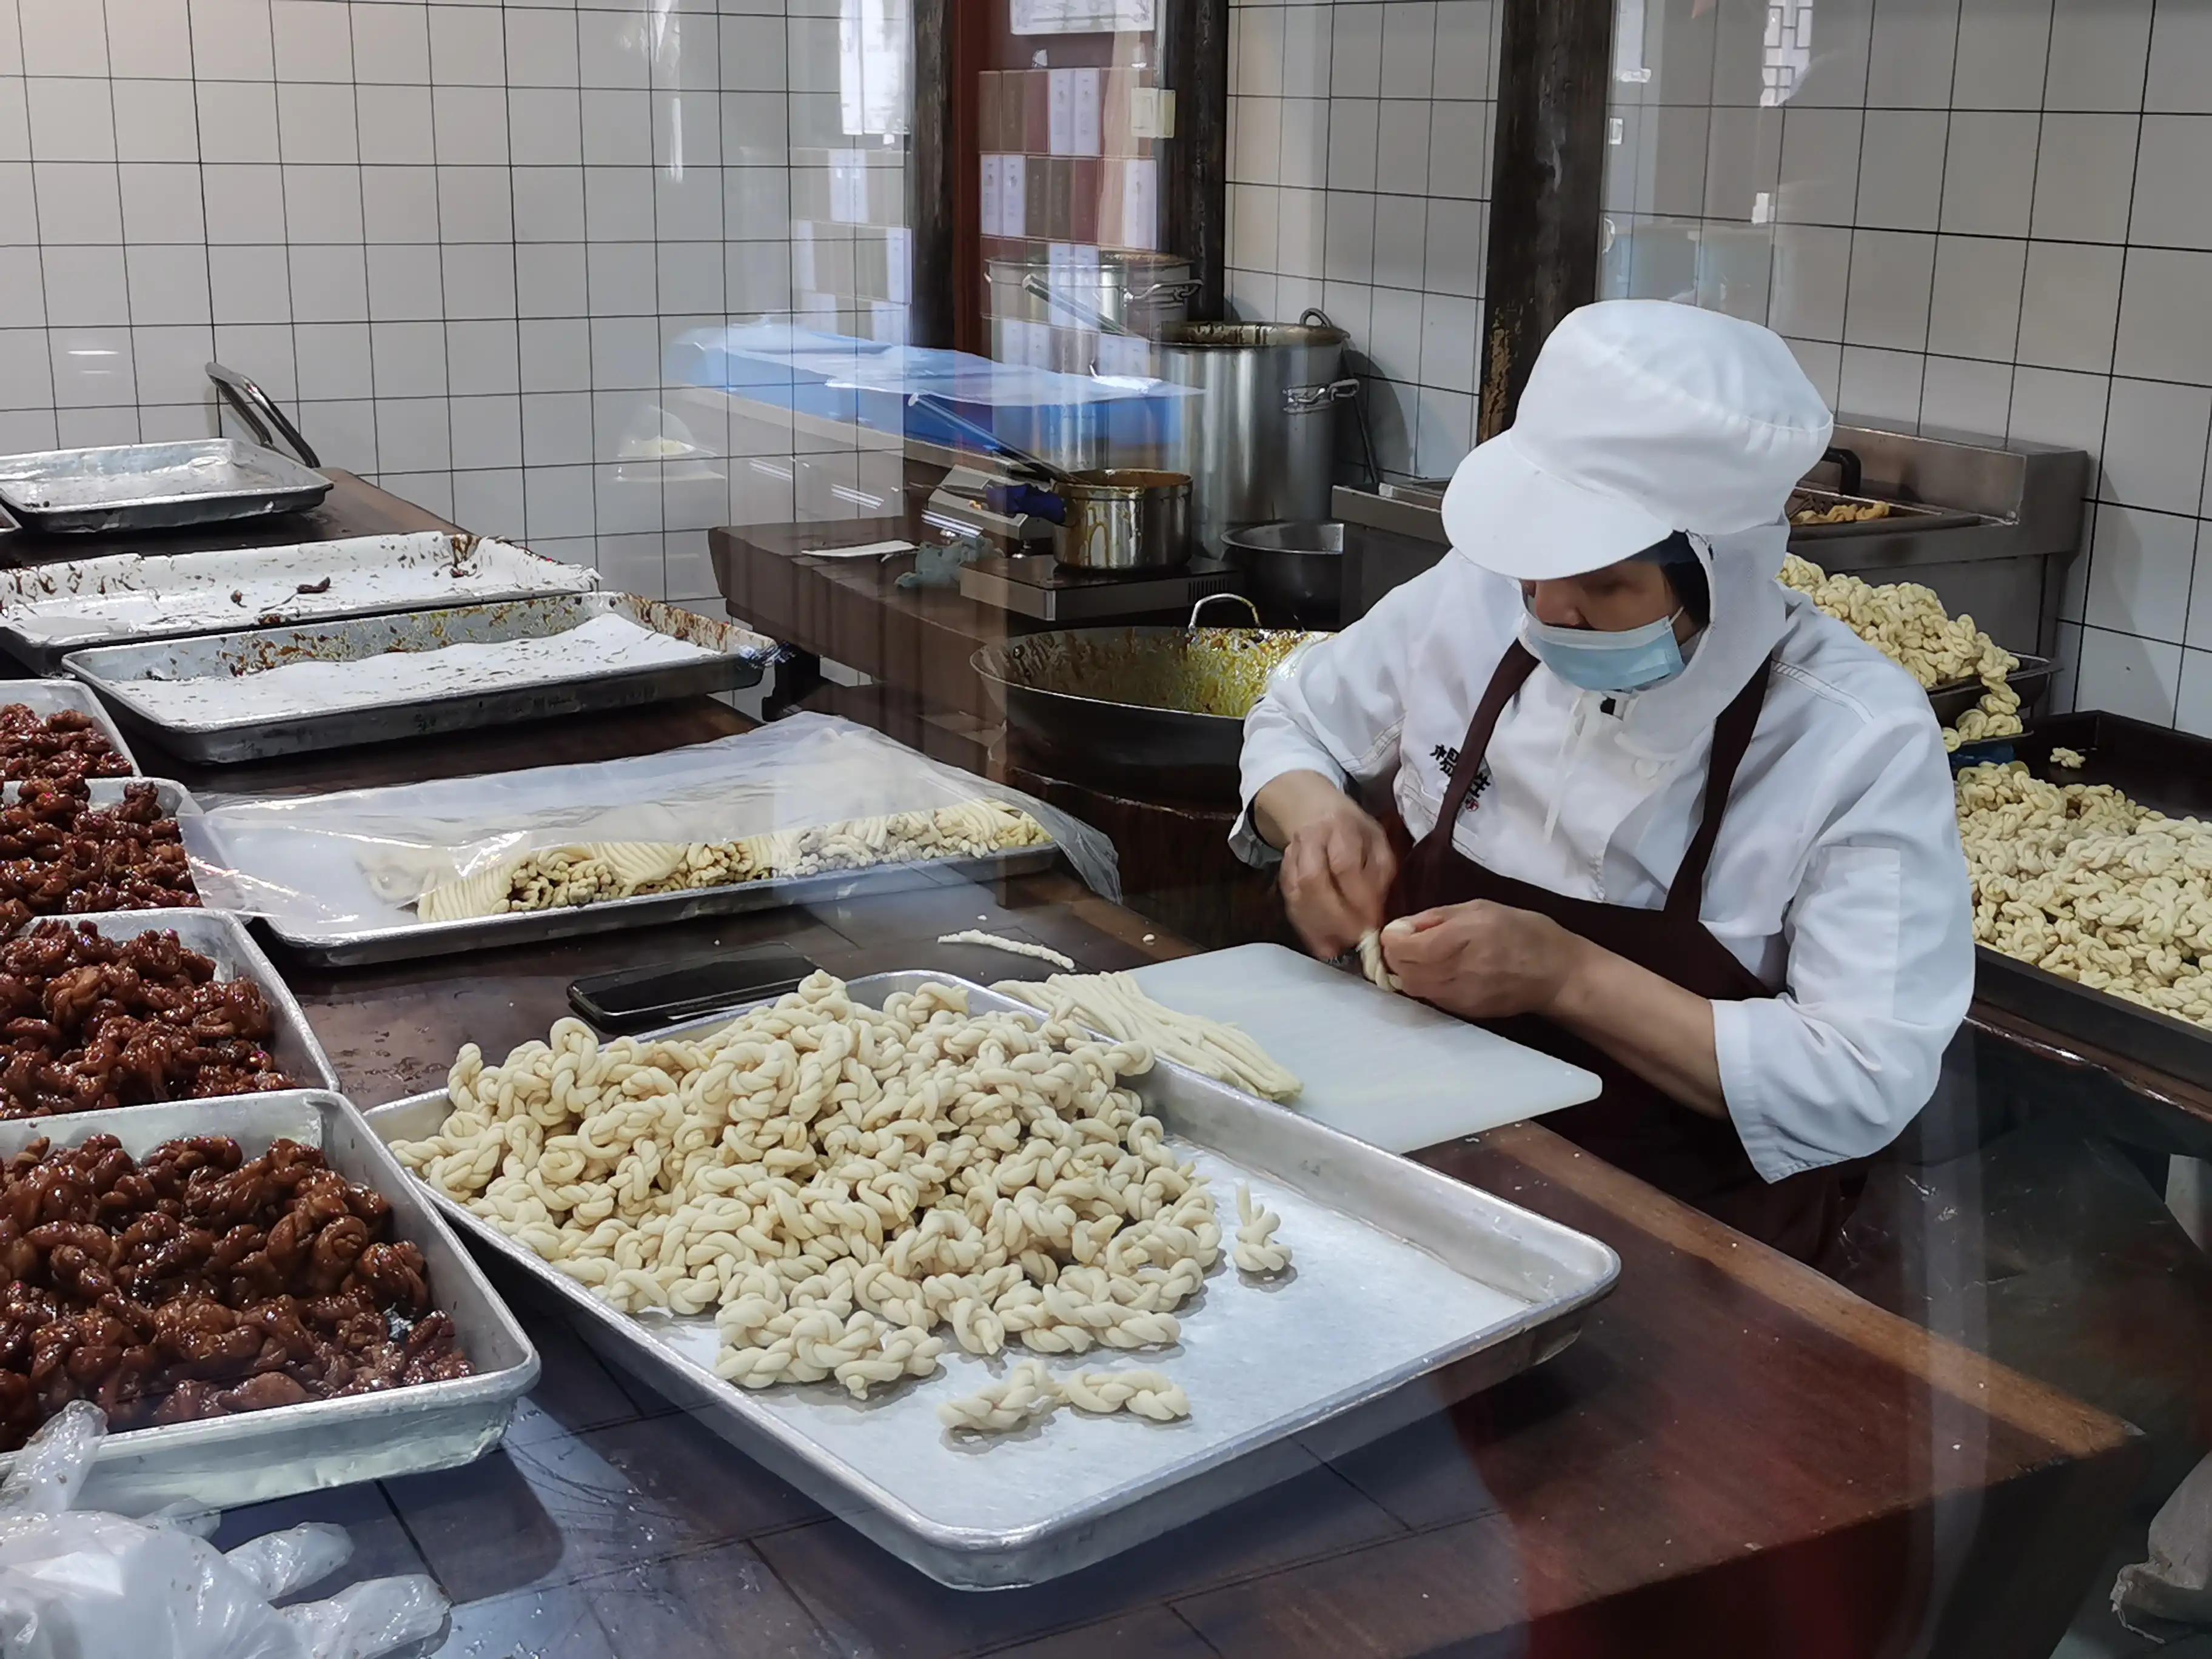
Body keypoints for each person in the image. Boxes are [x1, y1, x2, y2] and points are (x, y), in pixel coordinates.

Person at [1234, 300, 1974, 1264]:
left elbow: (1861, 1080)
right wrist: (1314, 813)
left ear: (1718, 570)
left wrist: (1568, 976)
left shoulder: (1852, 737)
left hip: (1683, 1253)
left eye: (1605, 582)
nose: (1551, 610)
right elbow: (1295, 717)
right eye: (1536, 570)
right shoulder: (1475, 594)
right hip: (1412, 1171)